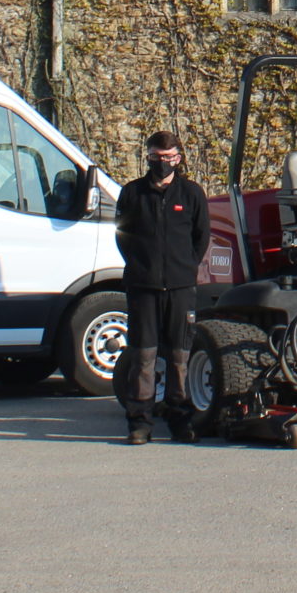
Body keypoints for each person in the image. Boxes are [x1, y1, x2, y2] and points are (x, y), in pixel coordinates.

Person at [112, 129, 211, 443]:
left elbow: (201, 237)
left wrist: (185, 268)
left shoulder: (192, 194)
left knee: (179, 357)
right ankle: (139, 423)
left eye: (168, 158)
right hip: (143, 287)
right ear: (148, 157)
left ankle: (180, 419)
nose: (162, 163)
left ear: (178, 159)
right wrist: (142, 267)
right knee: (143, 357)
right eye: (156, 157)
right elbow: (122, 236)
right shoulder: (132, 193)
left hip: (181, 287)